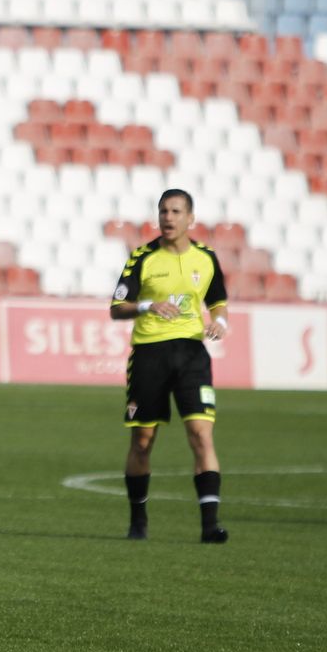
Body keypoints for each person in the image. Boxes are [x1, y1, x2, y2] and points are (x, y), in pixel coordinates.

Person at [109, 188, 230, 544]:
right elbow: (116, 308)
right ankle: (138, 521)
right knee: (143, 441)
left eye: (176, 212)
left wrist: (220, 321)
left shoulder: (206, 258)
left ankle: (210, 527)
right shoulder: (143, 257)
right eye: (163, 211)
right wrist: (148, 305)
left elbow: (218, 300)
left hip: (192, 354)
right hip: (150, 355)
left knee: (201, 434)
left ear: (190, 219)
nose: (168, 218)